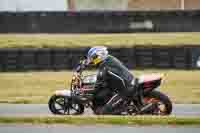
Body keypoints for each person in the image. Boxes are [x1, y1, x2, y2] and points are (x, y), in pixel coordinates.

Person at [76, 46, 137, 114]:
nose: (91, 59)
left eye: (92, 57)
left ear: (98, 57)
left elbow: (97, 87)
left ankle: (123, 111)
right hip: (125, 82)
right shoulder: (109, 58)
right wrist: (84, 63)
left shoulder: (104, 68)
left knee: (103, 112)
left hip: (125, 91)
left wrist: (83, 91)